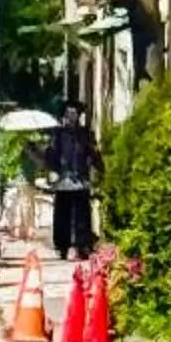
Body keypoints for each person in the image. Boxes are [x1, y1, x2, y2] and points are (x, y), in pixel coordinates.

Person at [47, 98, 98, 260]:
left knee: (82, 214)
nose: (72, 116)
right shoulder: (58, 133)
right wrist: (53, 171)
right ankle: (62, 245)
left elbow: (92, 154)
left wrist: (98, 169)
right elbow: (52, 155)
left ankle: (82, 245)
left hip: (81, 178)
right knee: (63, 214)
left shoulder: (86, 134)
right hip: (64, 178)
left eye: (75, 113)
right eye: (69, 113)